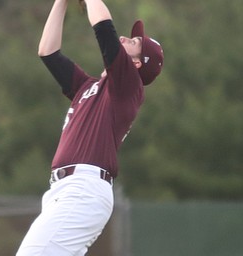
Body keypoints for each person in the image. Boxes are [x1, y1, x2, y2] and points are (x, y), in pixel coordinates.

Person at [16, 0, 163, 255]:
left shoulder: (129, 87)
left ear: (136, 64)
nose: (127, 38)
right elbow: (48, 52)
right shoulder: (89, 87)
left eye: (135, 43)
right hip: (64, 191)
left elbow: (104, 28)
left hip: (83, 190)